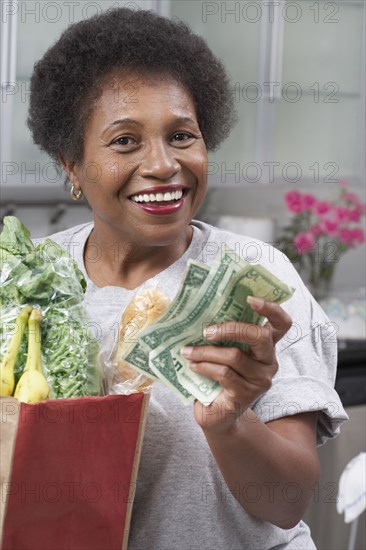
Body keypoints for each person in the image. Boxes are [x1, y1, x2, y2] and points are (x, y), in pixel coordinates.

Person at [28, 7, 347, 549]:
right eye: (125, 140)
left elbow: (288, 500)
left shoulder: (253, 277)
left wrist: (229, 422)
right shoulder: (31, 279)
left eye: (181, 135)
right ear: (72, 166)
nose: (163, 165)